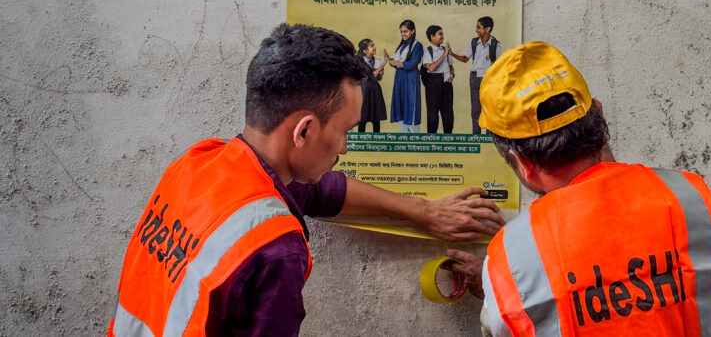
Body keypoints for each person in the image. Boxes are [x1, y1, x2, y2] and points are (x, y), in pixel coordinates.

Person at [108, 24, 506, 337]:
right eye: (345, 130)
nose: (346, 148)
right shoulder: (276, 248)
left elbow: (318, 192)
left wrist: (423, 211)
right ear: (303, 132)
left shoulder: (199, 163)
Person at [446, 41, 711, 336]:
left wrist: (498, 283)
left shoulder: (511, 257)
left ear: (520, 161)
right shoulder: (695, 198)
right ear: (598, 111)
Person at [450, 16, 502, 134]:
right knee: (476, 108)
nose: (476, 30)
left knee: (489, 107)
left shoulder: (495, 45)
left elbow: (499, 65)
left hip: (489, 79)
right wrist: (452, 54)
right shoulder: (474, 43)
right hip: (475, 77)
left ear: (487, 29)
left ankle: (489, 136)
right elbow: (464, 59)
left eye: (479, 27)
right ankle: (476, 135)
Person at [385, 19, 423, 133]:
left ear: (413, 31)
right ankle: (403, 135)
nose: (403, 34)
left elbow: (411, 64)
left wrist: (394, 63)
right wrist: (391, 61)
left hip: (410, 78)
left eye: (405, 31)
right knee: (401, 104)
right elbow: (397, 64)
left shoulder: (417, 45)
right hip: (400, 77)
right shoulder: (401, 46)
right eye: (401, 32)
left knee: (410, 104)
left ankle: (414, 137)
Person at [422, 25, 455, 133]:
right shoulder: (427, 51)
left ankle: (448, 139)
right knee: (432, 113)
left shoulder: (445, 50)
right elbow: (431, 68)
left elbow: (451, 65)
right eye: (440, 34)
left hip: (446, 83)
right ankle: (432, 140)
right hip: (433, 82)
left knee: (448, 113)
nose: (442, 36)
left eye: (442, 34)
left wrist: (452, 74)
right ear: (432, 37)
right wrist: (444, 54)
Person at [356, 38, 387, 132]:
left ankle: (377, 142)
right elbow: (371, 75)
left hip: (374, 90)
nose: (374, 47)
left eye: (374, 45)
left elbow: (377, 78)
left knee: (376, 118)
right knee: (362, 117)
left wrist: (381, 72)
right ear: (365, 51)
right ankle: (360, 142)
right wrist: (383, 64)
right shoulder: (359, 60)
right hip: (363, 90)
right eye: (372, 46)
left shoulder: (376, 60)